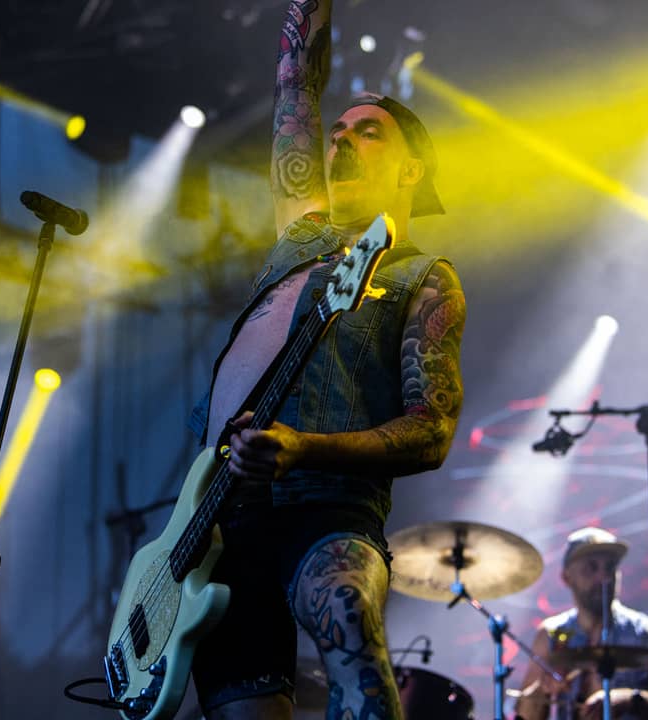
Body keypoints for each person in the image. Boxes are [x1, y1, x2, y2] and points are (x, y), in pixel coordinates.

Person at [185, 1, 467, 718]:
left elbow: (432, 430)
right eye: (337, 132)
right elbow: (294, 85)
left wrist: (305, 448)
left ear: (412, 168)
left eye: (367, 132)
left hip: (326, 510)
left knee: (348, 618)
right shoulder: (299, 234)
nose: (341, 140)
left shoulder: (423, 278)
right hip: (217, 524)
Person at [513, 528, 648, 720]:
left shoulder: (647, 633)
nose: (603, 578)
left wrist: (633, 700)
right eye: (591, 568)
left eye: (610, 567)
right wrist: (543, 688)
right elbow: (525, 716)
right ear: (567, 577)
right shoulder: (552, 634)